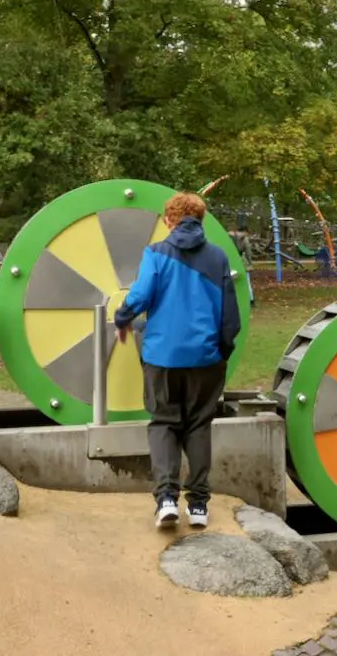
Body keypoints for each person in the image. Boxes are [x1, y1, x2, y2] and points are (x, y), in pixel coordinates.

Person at [114, 192, 242, 530]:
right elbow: (231, 316)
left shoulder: (156, 253)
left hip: (162, 357)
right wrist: (222, 350)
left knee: (164, 423)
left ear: (169, 220)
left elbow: (141, 295)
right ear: (200, 220)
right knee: (199, 425)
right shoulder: (218, 257)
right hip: (206, 358)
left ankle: (166, 500)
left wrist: (122, 317)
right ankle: (198, 505)